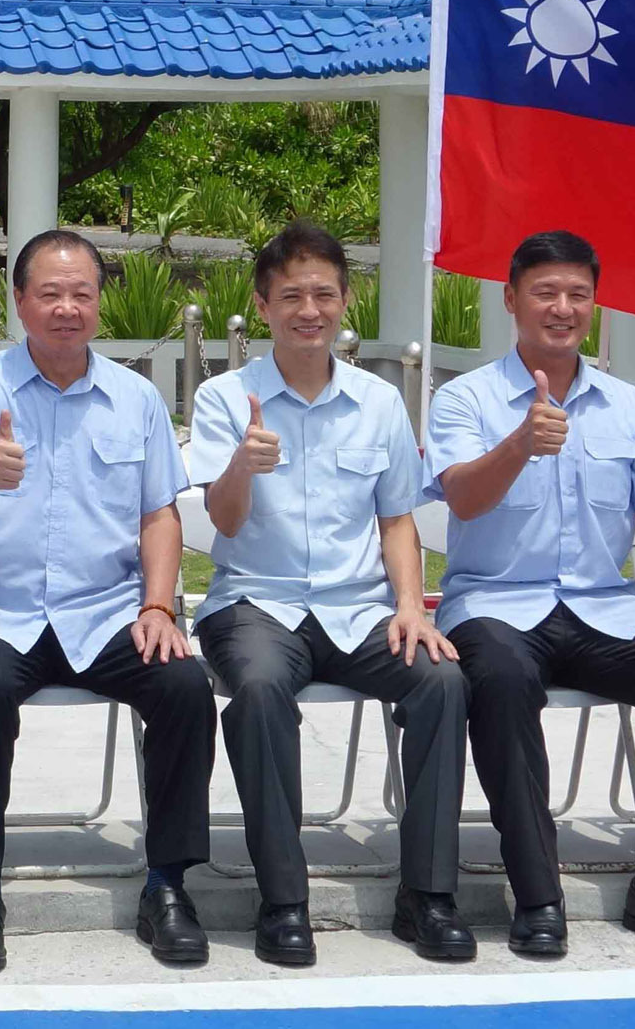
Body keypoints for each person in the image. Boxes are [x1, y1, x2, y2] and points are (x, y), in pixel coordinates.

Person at [428, 229, 635, 959]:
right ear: (511, 300)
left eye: (577, 295)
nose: (562, 308)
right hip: (495, 607)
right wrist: (517, 445)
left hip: (604, 607)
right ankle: (536, 894)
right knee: (498, 679)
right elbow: (461, 502)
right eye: (545, 293)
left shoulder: (628, 407)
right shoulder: (462, 398)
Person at [0, 229, 217, 975]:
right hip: (0, 611)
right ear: (20, 302)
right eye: (49, 294)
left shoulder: (136, 398)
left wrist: (159, 607)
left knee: (185, 685)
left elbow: (161, 513)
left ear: (99, 302)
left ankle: (168, 884)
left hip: (107, 612)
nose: (66, 308)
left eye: (81, 293)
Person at [189, 221, 471, 966]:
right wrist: (243, 467)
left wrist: (412, 607)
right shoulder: (226, 399)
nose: (308, 309)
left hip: (359, 610)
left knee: (442, 680)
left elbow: (398, 521)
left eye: (323, 293)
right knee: (254, 691)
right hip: (256, 605)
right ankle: (283, 900)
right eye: (290, 296)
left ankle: (429, 896)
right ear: (262, 304)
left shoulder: (379, 403)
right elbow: (220, 520)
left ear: (347, 300)